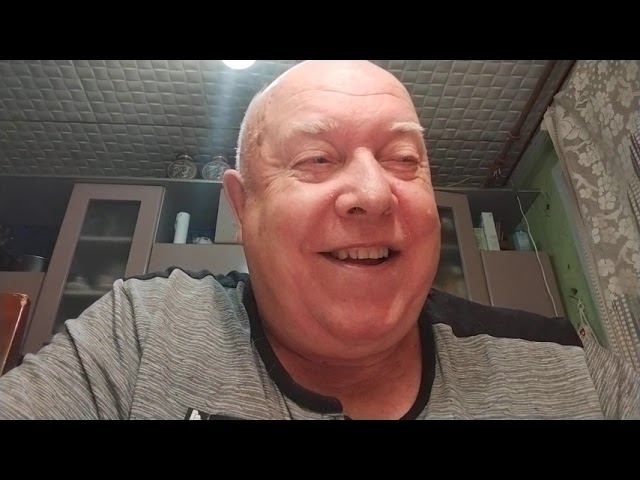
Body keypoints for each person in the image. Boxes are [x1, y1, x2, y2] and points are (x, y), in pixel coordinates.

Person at [0, 60, 638, 419]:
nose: (375, 193)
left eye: (404, 159)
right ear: (242, 208)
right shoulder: (143, 333)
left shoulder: (569, 369)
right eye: (317, 159)